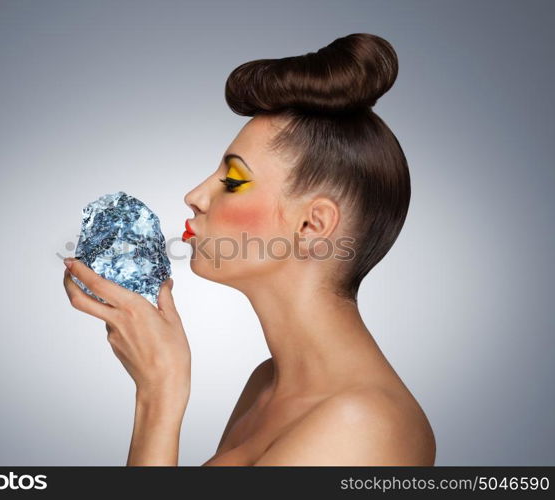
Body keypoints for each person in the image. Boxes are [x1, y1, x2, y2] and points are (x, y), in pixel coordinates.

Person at [63, 32, 436, 466]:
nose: (196, 195)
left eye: (234, 179)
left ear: (312, 224)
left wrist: (159, 395)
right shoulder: (267, 384)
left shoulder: (364, 425)